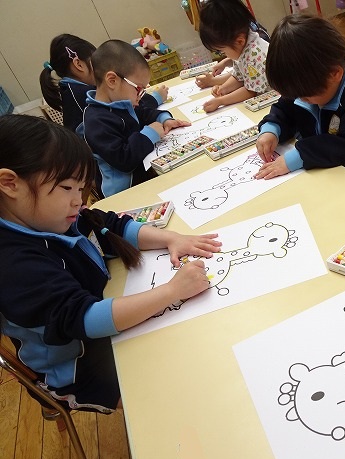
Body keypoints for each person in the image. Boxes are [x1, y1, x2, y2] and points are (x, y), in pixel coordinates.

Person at [0, 114, 222, 412]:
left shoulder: (49, 216)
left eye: (82, 188)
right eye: (67, 188)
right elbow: (85, 319)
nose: (79, 201)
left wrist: (171, 238)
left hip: (108, 318)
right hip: (81, 369)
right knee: (186, 390)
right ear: (10, 184)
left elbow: (108, 226)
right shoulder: (14, 266)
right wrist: (172, 291)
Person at [255, 14, 345, 185]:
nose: (301, 100)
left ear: (335, 74)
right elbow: (285, 109)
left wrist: (299, 156)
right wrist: (271, 129)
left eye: (305, 96)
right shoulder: (306, 82)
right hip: (315, 173)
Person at [81, 39, 189, 198]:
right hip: (124, 193)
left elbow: (144, 113)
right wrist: (149, 134)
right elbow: (123, 160)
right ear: (112, 81)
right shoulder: (96, 121)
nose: (140, 96)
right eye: (138, 89)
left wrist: (164, 119)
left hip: (144, 173)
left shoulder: (119, 101)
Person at [40, 34, 168, 134]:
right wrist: (154, 99)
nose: (101, 67)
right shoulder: (82, 95)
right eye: (95, 62)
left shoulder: (76, 89)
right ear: (79, 64)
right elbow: (125, 113)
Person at [196, 0, 271, 113]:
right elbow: (238, 77)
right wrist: (224, 88)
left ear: (239, 41)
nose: (224, 55)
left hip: (274, 101)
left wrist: (221, 101)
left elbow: (250, 91)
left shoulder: (255, 55)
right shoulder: (243, 48)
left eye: (222, 51)